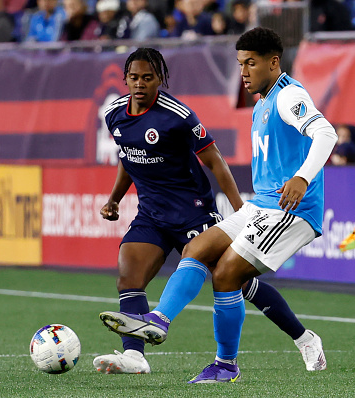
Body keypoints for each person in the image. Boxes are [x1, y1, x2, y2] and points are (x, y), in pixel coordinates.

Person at [100, 27, 337, 383]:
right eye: (240, 63)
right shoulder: (263, 103)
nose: (243, 71)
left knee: (226, 274)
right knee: (198, 249)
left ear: (274, 63)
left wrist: (302, 178)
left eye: (251, 63)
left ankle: (225, 365)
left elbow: (326, 133)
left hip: (292, 211)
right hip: (263, 206)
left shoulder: (289, 97)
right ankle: (159, 320)